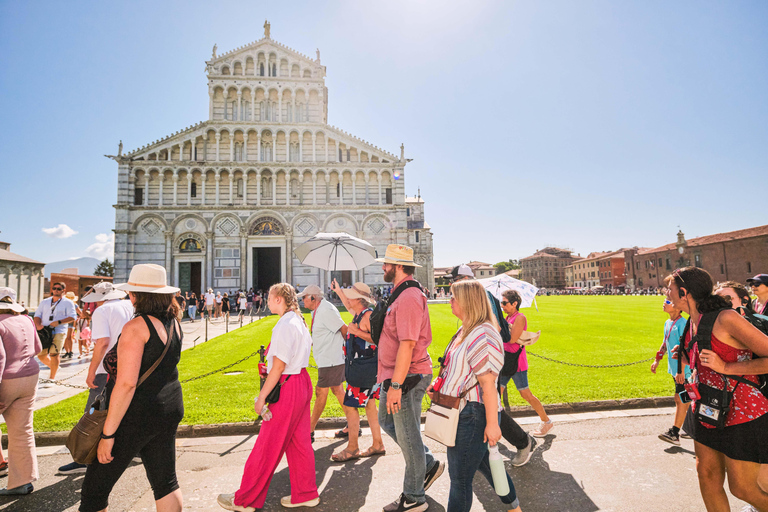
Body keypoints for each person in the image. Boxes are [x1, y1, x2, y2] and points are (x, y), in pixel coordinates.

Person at [79, 264, 184, 512]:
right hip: (168, 407)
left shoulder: (136, 327)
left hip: (136, 414)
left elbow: (126, 384)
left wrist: (107, 435)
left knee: (94, 491)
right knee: (166, 483)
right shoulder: (174, 322)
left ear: (136, 295)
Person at [666, 267, 768, 511]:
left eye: (669, 290)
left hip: (742, 412)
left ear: (684, 292)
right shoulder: (691, 321)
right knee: (707, 479)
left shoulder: (726, 318)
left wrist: (725, 366)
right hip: (706, 408)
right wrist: (685, 356)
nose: (666, 295)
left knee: (742, 488)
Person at [217, 283, 319, 510]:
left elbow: (279, 366)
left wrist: (261, 397)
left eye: (270, 297)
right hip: (301, 382)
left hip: (288, 387)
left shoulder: (285, 324)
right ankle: (305, 492)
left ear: (279, 300)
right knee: (299, 443)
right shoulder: (299, 321)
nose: (268, 300)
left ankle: (246, 499)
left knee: (267, 445)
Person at [430, 279, 521, 512]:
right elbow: (457, 369)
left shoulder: (482, 333)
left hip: (474, 415)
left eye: (453, 297)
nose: (449, 301)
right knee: (488, 467)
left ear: (467, 301)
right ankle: (515, 508)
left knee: (460, 479)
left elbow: (488, 384)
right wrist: (440, 384)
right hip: (466, 412)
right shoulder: (467, 329)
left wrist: (492, 424)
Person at [376, 244, 443, 512]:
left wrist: (395, 385)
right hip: (395, 375)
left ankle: (414, 497)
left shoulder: (409, 297)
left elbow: (407, 344)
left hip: (407, 377)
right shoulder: (399, 294)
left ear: (398, 267)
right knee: (387, 421)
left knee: (408, 435)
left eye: (386, 264)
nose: (383, 268)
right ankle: (426, 463)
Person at [449, 265, 537, 466]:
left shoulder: (480, 296)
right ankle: (485, 451)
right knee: (485, 404)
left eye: (454, 280)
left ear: (464, 279)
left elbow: (494, 327)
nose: (452, 285)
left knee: (490, 405)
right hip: (479, 355)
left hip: (486, 357)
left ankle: (522, 442)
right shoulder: (478, 295)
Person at [57, 281, 134, 475]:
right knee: (125, 408)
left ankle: (83, 457)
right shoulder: (129, 305)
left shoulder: (103, 310)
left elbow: (102, 343)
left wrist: (92, 371)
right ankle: (130, 451)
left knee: (92, 414)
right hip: (129, 365)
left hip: (106, 369)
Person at [329, 279, 386, 461]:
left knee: (351, 407)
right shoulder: (359, 313)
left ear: (358, 299)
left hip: (363, 371)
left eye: (351, 296)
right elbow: (347, 304)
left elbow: (378, 340)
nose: (348, 299)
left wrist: (355, 332)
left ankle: (353, 447)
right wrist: (338, 290)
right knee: (369, 406)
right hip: (365, 369)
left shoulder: (367, 316)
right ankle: (377, 443)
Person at [0, 288, 42, 496]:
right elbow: (38, 348)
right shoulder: (27, 320)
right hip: (30, 376)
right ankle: (22, 481)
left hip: (6, 379)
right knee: (22, 430)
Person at [296, 284, 348, 441]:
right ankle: (353, 424)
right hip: (328, 359)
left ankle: (309, 430)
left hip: (331, 360)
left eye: (304, 297)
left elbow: (344, 329)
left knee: (320, 392)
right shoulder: (318, 311)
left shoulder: (326, 310)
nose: (302, 301)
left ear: (313, 297)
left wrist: (349, 353)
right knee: (338, 390)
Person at [499, 289, 553, 438]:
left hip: (516, 363)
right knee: (497, 394)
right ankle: (495, 426)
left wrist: (499, 328)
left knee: (526, 394)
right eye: (501, 303)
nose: (502, 305)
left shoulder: (519, 318)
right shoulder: (507, 317)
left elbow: (511, 340)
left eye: (505, 303)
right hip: (505, 362)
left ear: (514, 303)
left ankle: (546, 422)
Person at [651, 298, 691, 445]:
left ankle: (675, 433)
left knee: (680, 399)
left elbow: (685, 348)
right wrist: (657, 360)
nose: (664, 303)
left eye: (668, 301)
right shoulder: (668, 323)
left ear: (677, 307)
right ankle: (690, 427)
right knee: (684, 399)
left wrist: (682, 370)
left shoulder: (683, 323)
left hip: (683, 370)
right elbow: (665, 342)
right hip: (674, 369)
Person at [34, 281, 76, 380]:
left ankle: (52, 378)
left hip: (59, 330)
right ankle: (55, 367)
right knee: (41, 354)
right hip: (45, 330)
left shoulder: (68, 302)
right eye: (54, 288)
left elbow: (73, 317)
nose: (56, 290)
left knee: (54, 353)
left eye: (58, 289)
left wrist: (59, 322)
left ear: (63, 290)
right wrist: (38, 325)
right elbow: (37, 315)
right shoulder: (45, 301)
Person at [62, 291, 80, 359]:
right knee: (67, 337)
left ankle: (69, 352)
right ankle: (68, 352)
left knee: (68, 337)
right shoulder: (72, 304)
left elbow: (79, 313)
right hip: (67, 322)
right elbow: (80, 313)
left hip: (68, 322)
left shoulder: (73, 305)